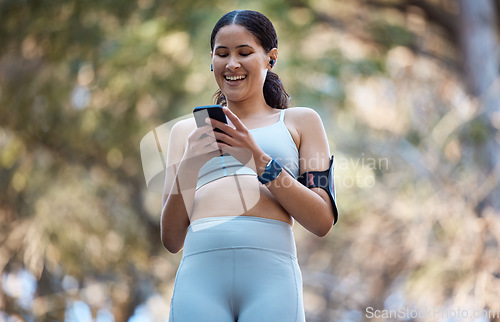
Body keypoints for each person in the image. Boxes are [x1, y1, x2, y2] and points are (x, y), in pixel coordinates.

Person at [161, 9, 338, 322]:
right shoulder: (185, 132)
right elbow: (171, 239)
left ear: (270, 58)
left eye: (244, 52)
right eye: (222, 53)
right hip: (199, 280)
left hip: (272, 280)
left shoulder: (300, 122)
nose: (232, 64)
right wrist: (189, 165)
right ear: (211, 59)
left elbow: (322, 220)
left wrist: (257, 158)